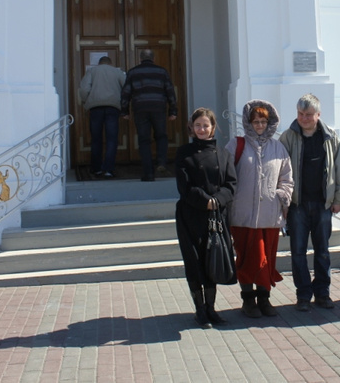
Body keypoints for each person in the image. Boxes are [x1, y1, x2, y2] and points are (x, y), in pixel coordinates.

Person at [279, 94, 340, 312]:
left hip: (323, 205)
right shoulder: (288, 137)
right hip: (297, 205)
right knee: (298, 252)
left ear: (318, 114)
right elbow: (280, 171)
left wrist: (339, 199)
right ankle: (303, 295)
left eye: (308, 114)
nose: (304, 118)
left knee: (323, 251)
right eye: (300, 114)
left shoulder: (330, 138)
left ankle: (322, 293)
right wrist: (284, 202)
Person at [225, 100, 293, 318]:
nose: (260, 125)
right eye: (256, 122)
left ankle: (264, 299)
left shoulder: (278, 148)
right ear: (248, 122)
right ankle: (248, 300)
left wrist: (281, 196)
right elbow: (225, 176)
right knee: (245, 258)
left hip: (269, 216)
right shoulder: (235, 146)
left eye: (264, 121)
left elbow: (287, 178)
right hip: (243, 216)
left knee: (266, 259)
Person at [175, 108, 237, 329]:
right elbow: (184, 186)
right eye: (197, 125)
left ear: (213, 127)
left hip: (216, 216)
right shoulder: (184, 153)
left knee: (213, 259)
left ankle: (211, 308)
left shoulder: (224, 154)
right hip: (191, 215)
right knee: (194, 262)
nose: (201, 129)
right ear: (191, 128)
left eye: (205, 125)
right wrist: (205, 201)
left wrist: (217, 200)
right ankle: (200, 310)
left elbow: (231, 184)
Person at [121, 49, 178, 181]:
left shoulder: (133, 72)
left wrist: (124, 111)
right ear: (153, 58)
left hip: (140, 108)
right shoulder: (162, 72)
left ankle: (148, 173)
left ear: (140, 59)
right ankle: (161, 162)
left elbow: (126, 93)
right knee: (161, 136)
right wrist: (173, 111)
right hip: (159, 108)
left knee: (144, 140)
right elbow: (170, 92)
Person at [79, 56, 125, 178]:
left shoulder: (92, 71)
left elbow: (84, 89)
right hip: (113, 107)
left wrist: (86, 102)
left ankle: (96, 168)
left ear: (99, 63)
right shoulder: (117, 72)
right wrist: (123, 103)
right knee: (112, 139)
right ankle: (109, 169)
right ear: (110, 63)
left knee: (96, 139)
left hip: (95, 107)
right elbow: (126, 87)